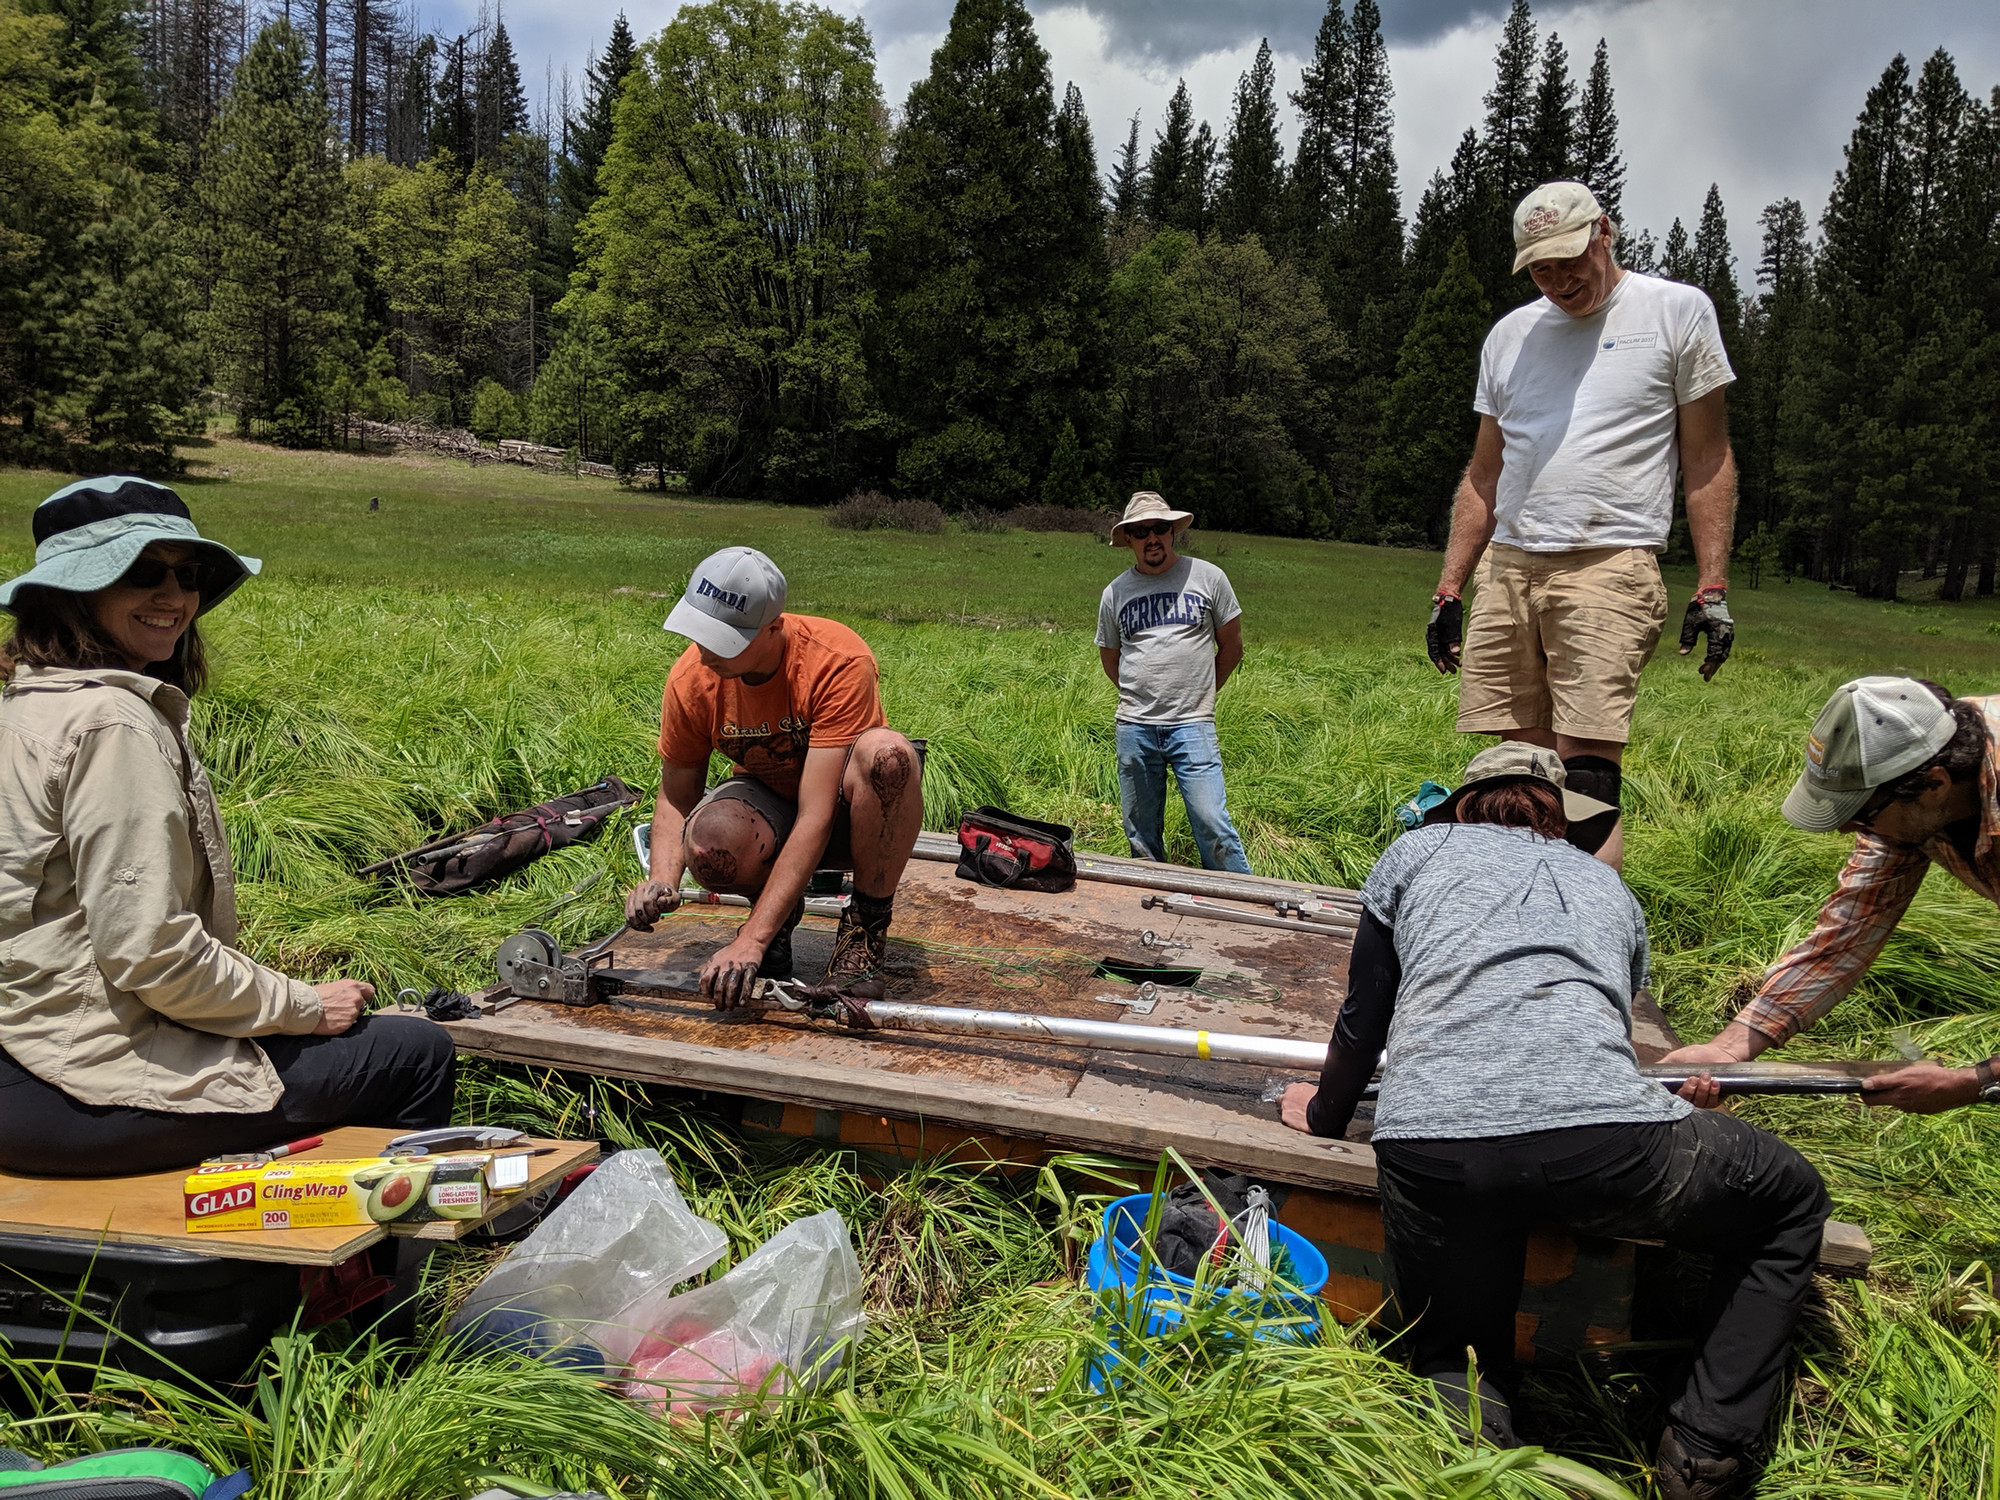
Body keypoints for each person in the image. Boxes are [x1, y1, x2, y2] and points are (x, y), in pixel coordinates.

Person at [1278, 743, 1830, 1500]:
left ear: (1463, 806)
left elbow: (1363, 1012)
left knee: (1454, 1355)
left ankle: (1479, 1455)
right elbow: (1607, 1015)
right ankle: (1705, 1448)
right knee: (1788, 1199)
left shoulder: (1415, 850)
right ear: (1559, 818)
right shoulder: (1610, 890)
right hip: (1604, 1143)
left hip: (1436, 1147)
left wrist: (1324, 1112)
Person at [0, 477, 456, 1177]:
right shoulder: (112, 723)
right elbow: (150, 954)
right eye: (141, 572)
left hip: (21, 1059)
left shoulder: (24, 707)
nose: (174, 597)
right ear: (69, 594)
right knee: (415, 1052)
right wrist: (302, 1004)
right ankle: (375, 1279)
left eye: (190, 575)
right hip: (85, 1084)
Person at [1424, 181, 1739, 869]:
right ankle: (1520, 927)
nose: (1560, 279)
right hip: (1510, 565)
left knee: (1587, 778)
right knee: (1515, 774)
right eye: (1542, 267)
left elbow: (1708, 456)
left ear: (1605, 232)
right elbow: (1484, 474)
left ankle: (1591, 947)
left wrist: (1711, 584)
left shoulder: (1675, 312)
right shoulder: (1510, 336)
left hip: (1608, 561)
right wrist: (1451, 588)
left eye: (1570, 258)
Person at [1664, 677, 1999, 1114]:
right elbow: (1849, 932)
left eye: (1861, 814)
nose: (1844, 829)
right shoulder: (1917, 775)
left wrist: (1973, 1082)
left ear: (1935, 785)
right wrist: (1728, 1051)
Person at [624, 547, 923, 1006]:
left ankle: (864, 931)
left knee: (889, 757)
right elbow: (677, 793)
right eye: (701, 634)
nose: (706, 653)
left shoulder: (836, 660)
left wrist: (751, 941)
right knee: (711, 840)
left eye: (725, 641)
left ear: (773, 629)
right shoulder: (691, 679)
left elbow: (816, 814)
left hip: (847, 814)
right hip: (771, 806)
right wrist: (661, 880)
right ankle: (777, 924)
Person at [1095, 492, 1249, 873]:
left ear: (1172, 532)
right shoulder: (1115, 593)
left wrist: (1199, 693)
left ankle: (1240, 900)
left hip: (1192, 724)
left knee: (1211, 822)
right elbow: (1110, 658)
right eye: (1141, 531)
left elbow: (1232, 646)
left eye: (1159, 529)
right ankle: (1152, 905)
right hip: (1135, 727)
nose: (1152, 538)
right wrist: (1141, 695)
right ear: (1128, 539)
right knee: (1141, 833)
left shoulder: (1209, 578)